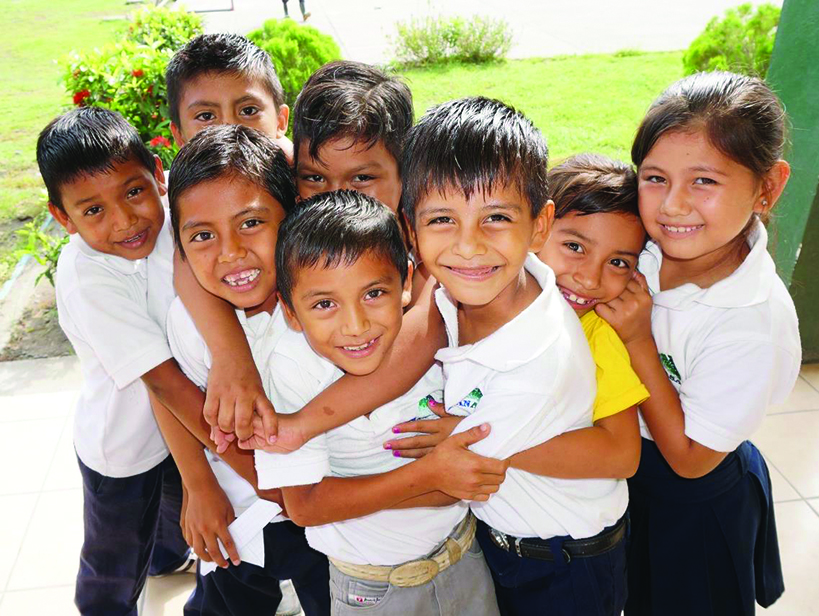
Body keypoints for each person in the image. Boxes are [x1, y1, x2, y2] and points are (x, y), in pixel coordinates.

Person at [400, 96, 629, 616]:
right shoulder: (489, 287)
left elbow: (445, 469)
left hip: (565, 562)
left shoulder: (538, 358)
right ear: (411, 230)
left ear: (540, 225)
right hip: (508, 537)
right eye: (442, 220)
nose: (469, 246)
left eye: (495, 217)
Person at [599, 71, 800, 616]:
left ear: (768, 187)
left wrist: (638, 342)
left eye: (704, 181)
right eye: (655, 178)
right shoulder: (642, 245)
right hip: (630, 472)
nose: (672, 206)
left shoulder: (752, 322)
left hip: (695, 494)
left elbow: (689, 460)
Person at [176, 61, 443, 458]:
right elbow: (188, 260)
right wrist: (233, 358)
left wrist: (302, 425)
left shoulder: (427, 243)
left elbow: (424, 334)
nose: (334, 195)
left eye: (362, 179)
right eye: (315, 178)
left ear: (407, 174)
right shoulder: (280, 206)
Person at [255, 189, 504, 615]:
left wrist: (447, 477)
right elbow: (305, 506)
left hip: (465, 559)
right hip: (370, 591)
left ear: (407, 282)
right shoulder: (289, 368)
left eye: (374, 294)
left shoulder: (436, 335)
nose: (356, 325)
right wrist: (432, 477)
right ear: (291, 312)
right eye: (325, 304)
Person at [389, 153, 648, 482]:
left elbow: (622, 456)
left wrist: (477, 437)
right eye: (575, 247)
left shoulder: (596, 337)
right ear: (537, 229)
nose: (590, 278)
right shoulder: (481, 285)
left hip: (564, 531)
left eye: (618, 263)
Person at [166, 124, 332, 616]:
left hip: (333, 515)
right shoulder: (190, 322)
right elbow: (181, 401)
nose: (231, 252)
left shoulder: (330, 309)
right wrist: (208, 485)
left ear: (294, 216)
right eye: (202, 236)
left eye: (251, 223)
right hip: (247, 513)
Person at [38, 107, 193, 615]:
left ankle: (168, 560)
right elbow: (164, 383)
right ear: (62, 218)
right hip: (122, 450)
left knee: (170, 521)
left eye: (133, 191)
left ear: (157, 173)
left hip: (180, 431)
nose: (125, 221)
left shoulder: (177, 219)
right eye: (92, 210)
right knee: (114, 560)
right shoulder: (87, 275)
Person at [165, 33, 293, 161]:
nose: (230, 129)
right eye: (206, 116)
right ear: (178, 135)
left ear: (280, 121)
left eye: (248, 111)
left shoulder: (306, 174)